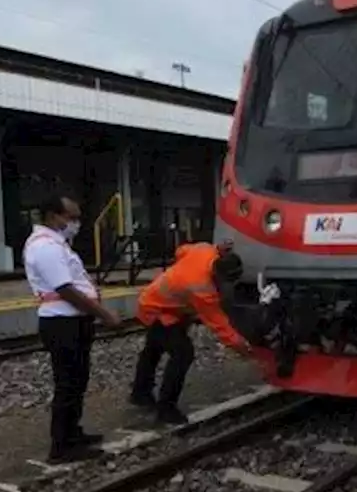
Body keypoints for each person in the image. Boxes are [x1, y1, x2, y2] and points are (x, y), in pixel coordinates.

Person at [23, 193, 122, 463]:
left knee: (77, 382)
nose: (77, 223)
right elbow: (65, 290)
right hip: (62, 323)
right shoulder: (46, 247)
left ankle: (73, 433)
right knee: (67, 385)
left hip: (73, 321)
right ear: (54, 216)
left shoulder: (58, 244)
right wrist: (104, 314)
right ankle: (61, 447)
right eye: (72, 218)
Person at [129, 239, 254, 424]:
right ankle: (166, 409)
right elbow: (220, 327)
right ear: (218, 276)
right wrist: (245, 349)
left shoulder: (205, 249)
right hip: (158, 310)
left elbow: (180, 251)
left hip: (155, 299)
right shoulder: (202, 289)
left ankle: (140, 393)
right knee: (183, 353)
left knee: (153, 349)